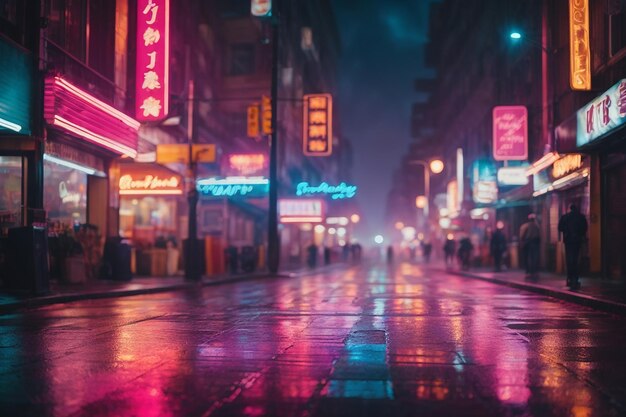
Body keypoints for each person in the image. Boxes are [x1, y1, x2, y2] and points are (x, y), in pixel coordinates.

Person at [558, 204, 588, 289]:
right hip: (577, 241)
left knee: (569, 259)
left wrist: (566, 231)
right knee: (576, 259)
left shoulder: (565, 217)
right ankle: (576, 278)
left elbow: (560, 228)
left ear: (570, 209)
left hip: (568, 241)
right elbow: (585, 228)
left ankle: (570, 278)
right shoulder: (581, 217)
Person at [520, 213, 540, 279]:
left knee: (528, 258)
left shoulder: (525, 226)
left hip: (528, 243)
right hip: (535, 242)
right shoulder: (537, 226)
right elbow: (539, 235)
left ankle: (528, 272)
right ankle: (534, 271)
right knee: (534, 258)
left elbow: (522, 235)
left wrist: (522, 242)